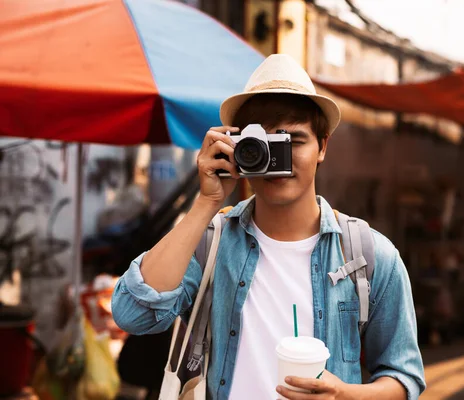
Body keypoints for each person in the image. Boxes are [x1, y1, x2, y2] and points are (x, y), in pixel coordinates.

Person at [111, 54, 425, 400]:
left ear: (322, 146)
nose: (279, 161)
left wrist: (345, 395)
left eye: (293, 141)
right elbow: (133, 315)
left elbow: (403, 376)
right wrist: (206, 203)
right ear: (237, 148)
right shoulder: (210, 244)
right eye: (262, 146)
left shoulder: (368, 255)